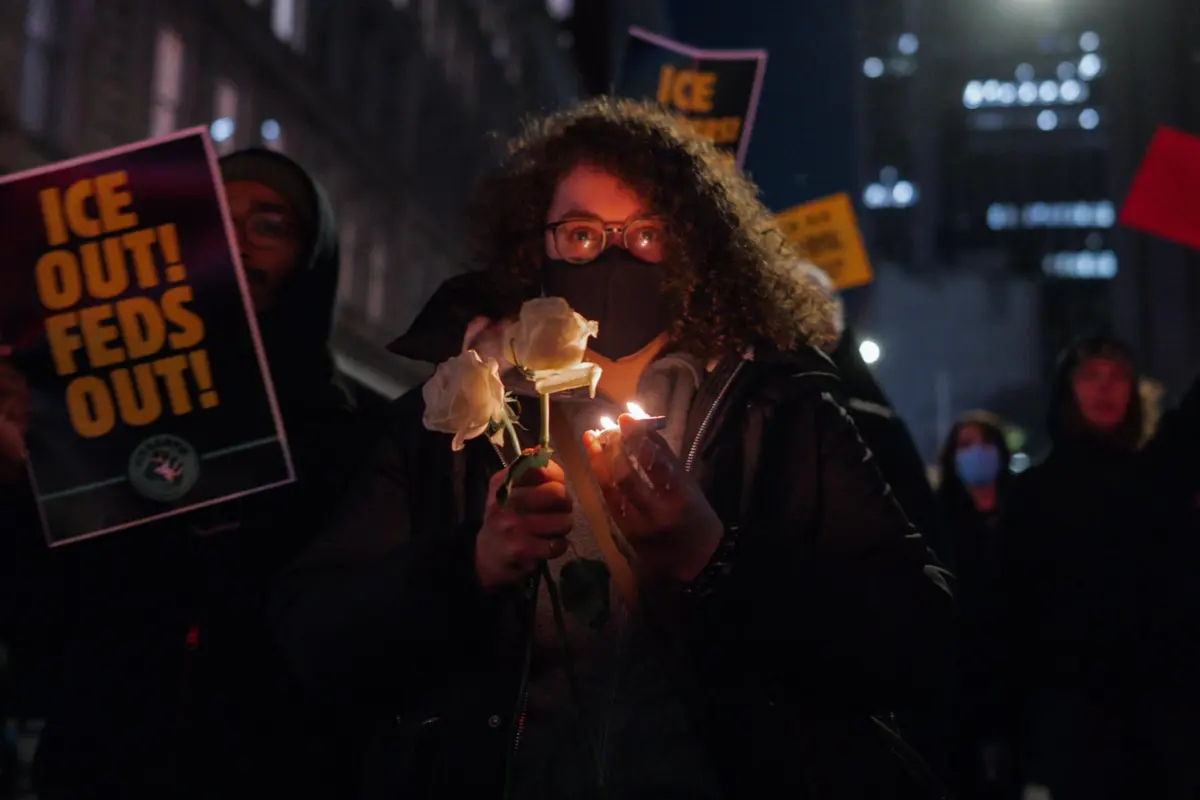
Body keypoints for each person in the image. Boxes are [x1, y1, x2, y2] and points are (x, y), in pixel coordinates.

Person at [271, 98, 955, 799]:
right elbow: (313, 638)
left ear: (693, 249)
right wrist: (469, 565)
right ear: (534, 244)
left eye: (647, 234)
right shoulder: (453, 414)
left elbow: (924, 642)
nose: (614, 255)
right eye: (581, 234)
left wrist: (715, 558)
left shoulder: (781, 417)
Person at [0, 148, 359, 799]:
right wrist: (18, 474)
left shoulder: (345, 428)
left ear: (311, 256)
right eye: (215, 216)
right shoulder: (102, 402)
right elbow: (40, 609)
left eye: (268, 224)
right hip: (104, 756)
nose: (237, 240)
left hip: (268, 763)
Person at [990, 335, 1200, 800]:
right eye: (1090, 377)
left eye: (1117, 377)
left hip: (1161, 718)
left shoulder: (1156, 479)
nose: (1105, 389)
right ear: (1068, 389)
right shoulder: (1035, 495)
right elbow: (1007, 614)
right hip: (1073, 718)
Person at [935, 412, 1013, 798]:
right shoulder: (940, 519)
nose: (977, 452)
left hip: (1019, 670)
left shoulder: (1023, 511)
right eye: (965, 444)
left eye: (984, 442)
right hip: (966, 672)